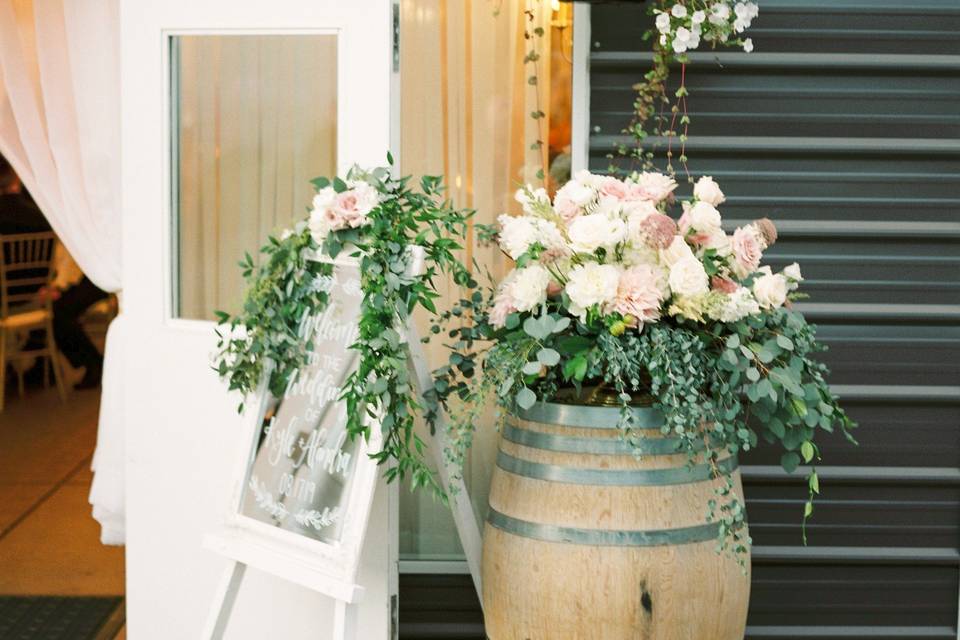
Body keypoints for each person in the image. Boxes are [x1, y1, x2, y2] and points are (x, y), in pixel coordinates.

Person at [44, 246, 108, 389]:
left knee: (59, 312)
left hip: (93, 276)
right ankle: (44, 366)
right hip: (78, 276)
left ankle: (93, 363)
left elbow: (70, 259)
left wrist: (58, 286)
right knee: (52, 310)